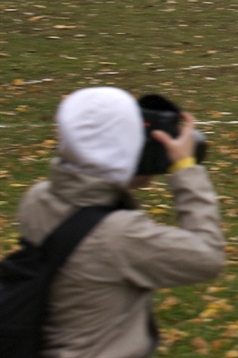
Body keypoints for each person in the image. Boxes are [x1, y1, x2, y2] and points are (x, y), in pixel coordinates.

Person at [16, 87, 225, 358]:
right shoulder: (120, 236)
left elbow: (87, 194)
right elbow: (207, 256)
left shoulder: (37, 200)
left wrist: (122, 171)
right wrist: (185, 170)